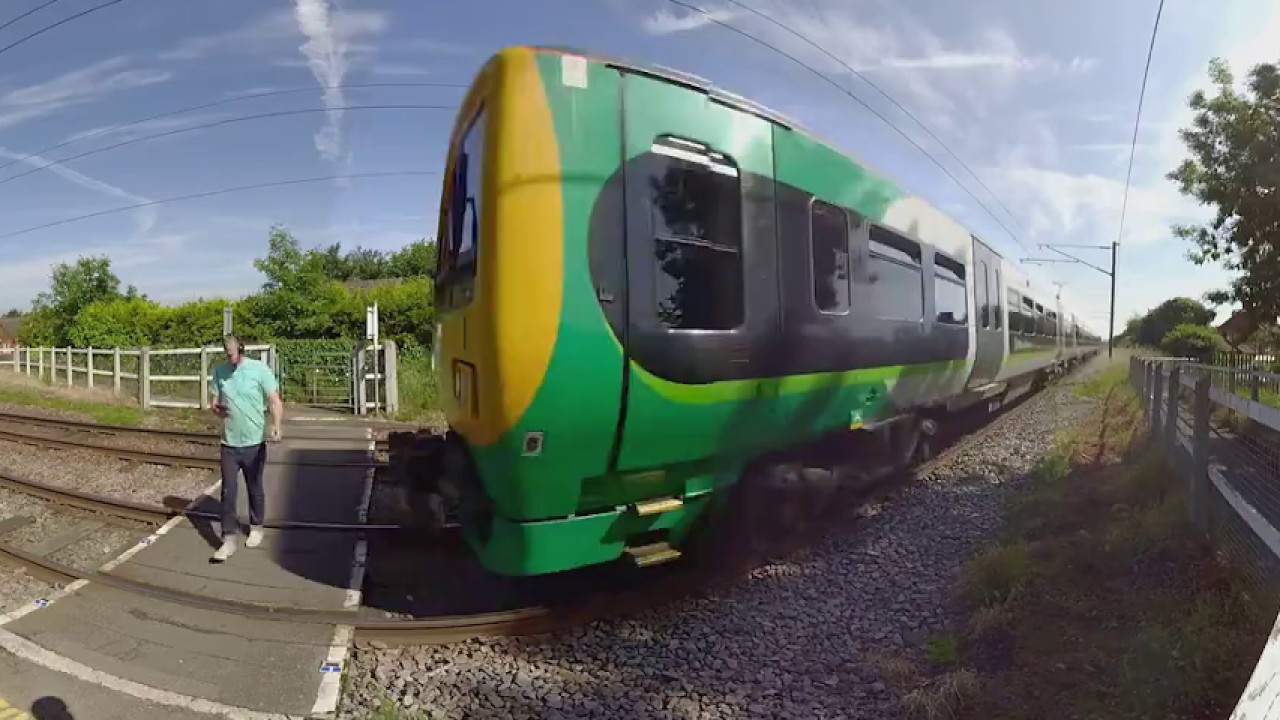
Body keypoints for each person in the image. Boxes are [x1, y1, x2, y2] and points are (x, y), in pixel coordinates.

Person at [210, 334, 283, 562]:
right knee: (228, 491)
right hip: (229, 442)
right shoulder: (220, 372)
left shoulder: (258, 370)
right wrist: (217, 408)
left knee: (254, 486)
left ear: (241, 349)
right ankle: (228, 539)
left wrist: (276, 425)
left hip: (253, 441)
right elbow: (214, 401)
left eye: (232, 353)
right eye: (226, 354)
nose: (229, 358)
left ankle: (256, 526)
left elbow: (274, 400)